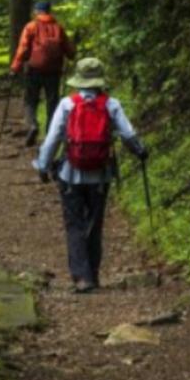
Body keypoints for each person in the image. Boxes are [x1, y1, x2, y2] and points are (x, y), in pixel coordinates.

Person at [33, 57, 148, 293]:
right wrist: (140, 151)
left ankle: (81, 278)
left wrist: (43, 166)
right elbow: (128, 134)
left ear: (79, 80)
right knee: (95, 224)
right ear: (100, 80)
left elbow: (53, 138)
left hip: (70, 175)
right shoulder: (111, 104)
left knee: (74, 224)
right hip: (100, 176)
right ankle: (93, 274)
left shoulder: (67, 104)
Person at [10, 0, 76, 146]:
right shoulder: (58, 27)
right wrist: (72, 52)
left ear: (36, 11)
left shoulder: (31, 26)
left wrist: (15, 67)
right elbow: (70, 51)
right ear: (49, 11)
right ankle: (50, 135)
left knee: (30, 100)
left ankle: (32, 125)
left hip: (34, 69)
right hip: (54, 72)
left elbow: (23, 48)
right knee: (52, 103)